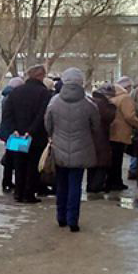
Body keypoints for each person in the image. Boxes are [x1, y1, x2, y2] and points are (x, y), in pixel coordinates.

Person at [44, 68, 99, 232]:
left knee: (61, 184)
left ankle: (61, 217)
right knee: (76, 185)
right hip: (82, 149)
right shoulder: (89, 104)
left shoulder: (54, 102)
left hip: (59, 149)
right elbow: (96, 126)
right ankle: (73, 220)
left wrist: (54, 135)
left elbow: (48, 125)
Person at [7, 65, 51, 203]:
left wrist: (14, 129)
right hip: (36, 136)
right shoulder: (44, 93)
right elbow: (42, 115)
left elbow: (8, 113)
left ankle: (18, 193)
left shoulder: (16, 92)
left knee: (19, 164)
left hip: (17, 135)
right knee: (33, 165)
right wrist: (30, 131)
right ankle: (29, 193)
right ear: (41, 76)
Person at [108, 80, 138, 192]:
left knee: (114, 159)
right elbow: (129, 116)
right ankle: (117, 182)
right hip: (121, 132)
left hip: (112, 132)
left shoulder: (112, 98)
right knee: (118, 159)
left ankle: (111, 181)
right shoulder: (125, 98)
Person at [86, 84, 116, 195]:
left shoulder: (91, 100)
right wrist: (113, 107)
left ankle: (91, 184)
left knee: (93, 162)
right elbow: (108, 117)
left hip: (92, 136)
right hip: (100, 136)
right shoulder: (103, 104)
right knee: (102, 162)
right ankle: (95, 186)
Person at [0, 76, 25, 193]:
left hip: (7, 131)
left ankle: (7, 181)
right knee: (14, 158)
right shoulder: (12, 98)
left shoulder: (6, 97)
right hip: (13, 132)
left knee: (10, 156)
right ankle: (8, 182)